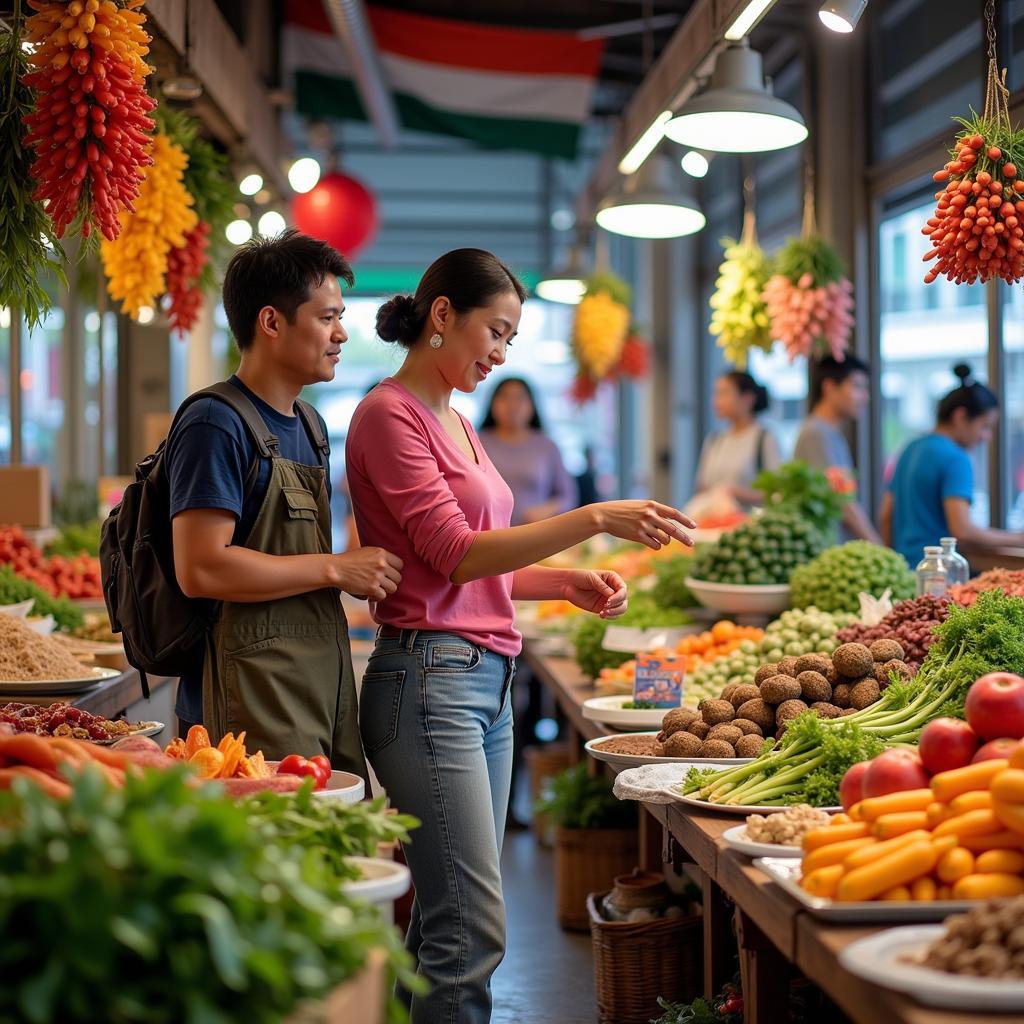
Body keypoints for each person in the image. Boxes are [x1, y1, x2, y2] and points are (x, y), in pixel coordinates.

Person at [345, 247, 695, 1024]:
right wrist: (594, 518)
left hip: (484, 683)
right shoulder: (387, 414)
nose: (501, 354)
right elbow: (452, 553)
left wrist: (560, 582)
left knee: (447, 924)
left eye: (511, 340)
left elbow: (465, 571)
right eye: (494, 333)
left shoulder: (456, 420)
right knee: (470, 933)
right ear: (443, 315)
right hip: (430, 685)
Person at [165, 230, 403, 777]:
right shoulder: (215, 422)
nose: (342, 333)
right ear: (271, 323)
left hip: (319, 679)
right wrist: (335, 567)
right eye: (326, 318)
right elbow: (200, 567)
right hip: (247, 694)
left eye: (340, 316)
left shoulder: (312, 426)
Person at [881, 364, 1020, 565]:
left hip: (903, 570)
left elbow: (886, 514)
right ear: (960, 416)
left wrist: (894, 563)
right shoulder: (956, 458)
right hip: (937, 577)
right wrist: (1017, 538)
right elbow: (962, 530)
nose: (986, 437)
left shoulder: (910, 448)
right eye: (985, 427)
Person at [795, 354, 882, 544]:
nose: (865, 397)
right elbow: (843, 502)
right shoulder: (817, 434)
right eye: (857, 387)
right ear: (830, 387)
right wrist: (880, 548)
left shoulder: (829, 433)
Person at [478, 376, 577, 525]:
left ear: (532, 405)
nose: (512, 405)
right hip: (486, 533)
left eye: (520, 398)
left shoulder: (546, 446)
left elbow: (568, 497)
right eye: (504, 397)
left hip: (535, 535)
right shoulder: (476, 442)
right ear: (492, 404)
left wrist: (546, 510)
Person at [694, 371, 780, 506]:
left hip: (750, 523)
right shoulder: (715, 440)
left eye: (724, 393)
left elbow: (775, 492)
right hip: (714, 523)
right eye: (716, 393)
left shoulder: (764, 438)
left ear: (748, 398)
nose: (716, 400)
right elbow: (702, 488)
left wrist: (736, 493)